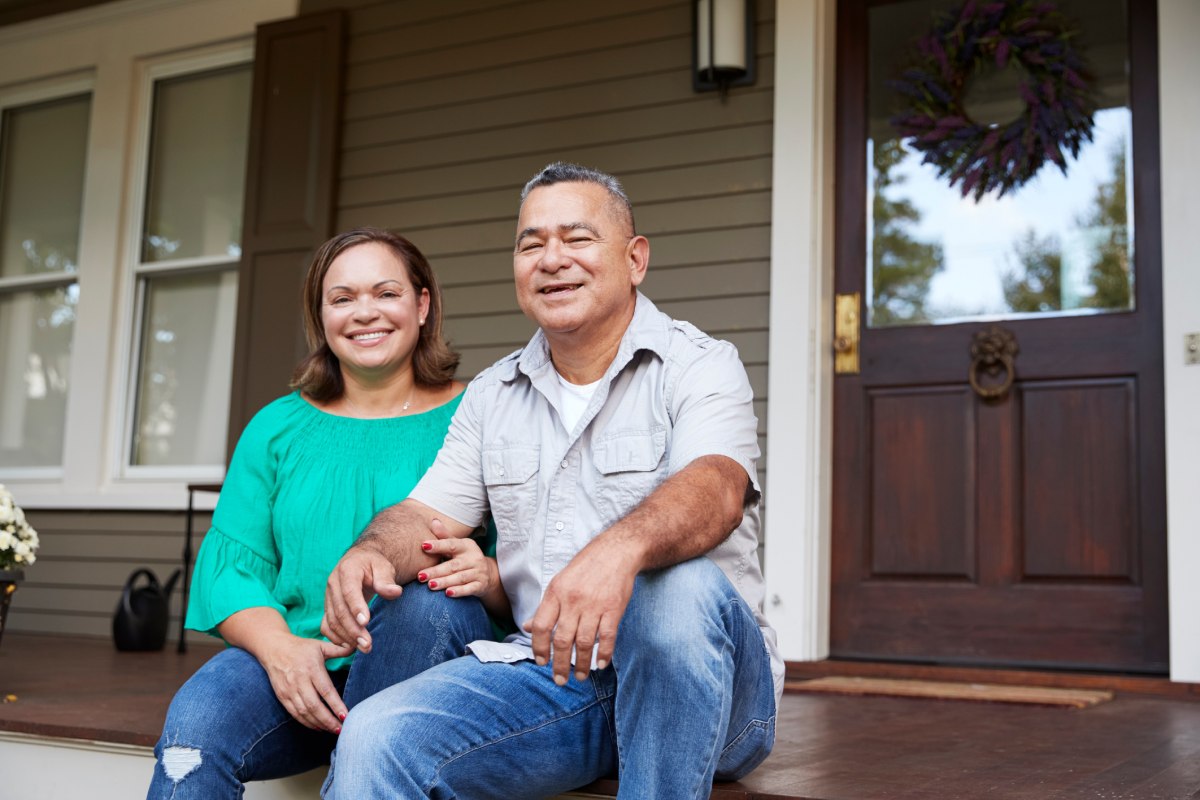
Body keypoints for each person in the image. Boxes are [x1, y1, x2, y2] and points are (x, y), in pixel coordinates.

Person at [320, 163, 782, 799]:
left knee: (672, 588)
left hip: (710, 691)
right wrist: (369, 552)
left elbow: (718, 487)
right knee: (376, 735)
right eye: (531, 243)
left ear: (635, 258)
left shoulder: (700, 365)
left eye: (577, 238)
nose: (551, 259)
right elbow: (425, 514)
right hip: (557, 680)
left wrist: (619, 551)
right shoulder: (493, 394)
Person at [147, 228, 507, 799]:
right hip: (301, 661)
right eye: (342, 298)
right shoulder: (276, 428)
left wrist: (489, 578)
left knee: (425, 604)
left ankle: (364, 771)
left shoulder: (485, 414)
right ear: (321, 317)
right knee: (196, 730)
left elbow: (534, 566)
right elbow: (232, 570)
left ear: (422, 304)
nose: (365, 313)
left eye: (386, 293)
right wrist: (280, 651)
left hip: (427, 669)